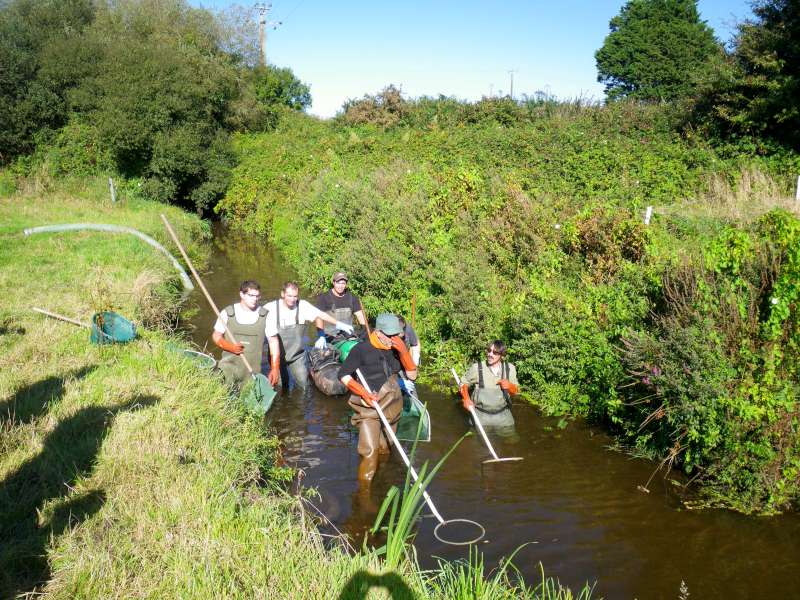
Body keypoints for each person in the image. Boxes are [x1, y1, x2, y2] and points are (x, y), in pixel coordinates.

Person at [338, 313, 417, 481]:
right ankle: (364, 499)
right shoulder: (361, 349)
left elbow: (412, 375)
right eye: (390, 335)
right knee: (370, 454)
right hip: (369, 407)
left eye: (397, 334)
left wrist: (404, 352)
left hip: (393, 405)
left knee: (385, 449)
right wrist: (363, 392)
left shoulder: (397, 347)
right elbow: (343, 375)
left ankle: (380, 484)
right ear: (378, 332)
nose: (394, 339)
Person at [265, 281, 354, 391]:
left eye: (295, 296)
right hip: (277, 357)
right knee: (281, 386)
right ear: (282, 294)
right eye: (289, 296)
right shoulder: (270, 308)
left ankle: (301, 406)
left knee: (304, 386)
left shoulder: (302, 305)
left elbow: (321, 315)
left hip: (297, 356)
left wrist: (339, 324)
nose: (292, 299)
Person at [212, 280, 269, 390]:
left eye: (257, 296)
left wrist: (275, 368)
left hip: (252, 372)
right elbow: (216, 336)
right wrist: (230, 347)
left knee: (248, 404)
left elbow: (273, 341)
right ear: (241, 294)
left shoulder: (265, 315)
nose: (255, 299)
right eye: (251, 295)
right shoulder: (227, 313)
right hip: (228, 368)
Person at [459, 340, 520, 431]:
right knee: (475, 441)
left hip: (503, 415)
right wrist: (466, 399)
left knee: (511, 441)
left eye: (495, 352)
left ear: (502, 355)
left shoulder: (510, 368)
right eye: (488, 350)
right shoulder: (476, 368)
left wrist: (509, 386)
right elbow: (463, 384)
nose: (490, 354)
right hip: (480, 416)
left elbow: (517, 391)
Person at [313, 271, 367, 348]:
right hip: (329, 337)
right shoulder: (323, 298)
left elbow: (360, 316)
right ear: (333, 282)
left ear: (346, 284)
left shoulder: (353, 298)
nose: (341, 286)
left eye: (343, 283)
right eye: (338, 283)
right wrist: (321, 336)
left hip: (348, 336)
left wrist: (365, 333)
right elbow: (318, 318)